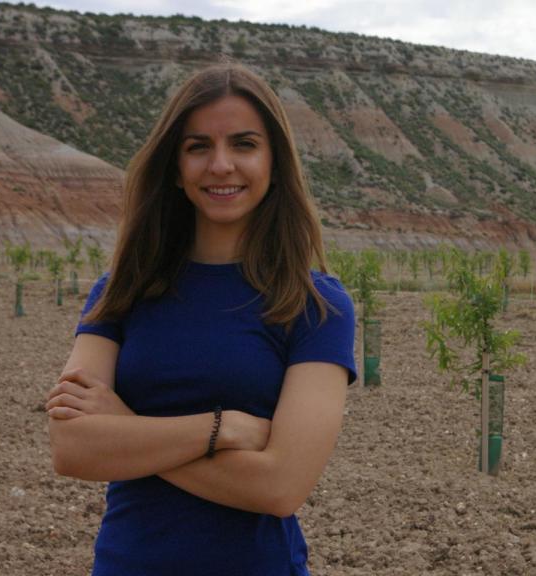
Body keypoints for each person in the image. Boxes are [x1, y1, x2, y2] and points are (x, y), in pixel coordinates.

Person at [45, 62, 356, 576]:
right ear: (175, 167)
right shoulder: (122, 291)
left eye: (243, 144)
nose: (220, 165)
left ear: (275, 163)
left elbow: (280, 487)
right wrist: (222, 428)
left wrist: (124, 428)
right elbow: (72, 447)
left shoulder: (317, 305)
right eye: (197, 147)